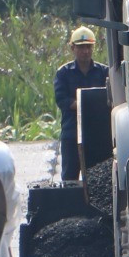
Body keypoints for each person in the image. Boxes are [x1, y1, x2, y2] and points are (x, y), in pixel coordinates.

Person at [53, 27, 109, 182]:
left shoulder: (104, 72)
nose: (86, 51)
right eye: (81, 47)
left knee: (100, 180)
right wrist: (86, 105)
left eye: (89, 47)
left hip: (98, 134)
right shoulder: (63, 73)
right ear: (73, 48)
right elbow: (62, 100)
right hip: (72, 133)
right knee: (70, 178)